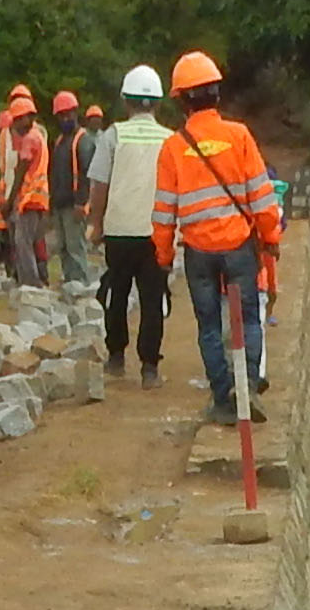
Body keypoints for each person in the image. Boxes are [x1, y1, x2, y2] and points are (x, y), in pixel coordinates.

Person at [154, 48, 285, 422]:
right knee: (247, 319)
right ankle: (246, 387)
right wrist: (270, 236)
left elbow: (163, 213)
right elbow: (262, 195)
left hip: (198, 252)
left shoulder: (173, 148)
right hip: (239, 246)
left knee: (209, 324)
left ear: (181, 100)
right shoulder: (239, 136)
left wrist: (163, 256)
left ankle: (222, 399)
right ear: (216, 94)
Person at [87, 63, 173, 379]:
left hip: (119, 232)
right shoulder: (170, 139)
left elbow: (99, 184)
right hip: (156, 233)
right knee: (153, 299)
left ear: (126, 101)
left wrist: (96, 224)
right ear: (159, 103)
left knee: (117, 293)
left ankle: (116, 357)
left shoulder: (113, 135)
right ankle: (149, 366)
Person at [0, 85, 53, 291]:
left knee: (23, 241)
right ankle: (28, 279)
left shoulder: (30, 139)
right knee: (24, 240)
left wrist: (9, 201)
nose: (16, 123)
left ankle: (31, 283)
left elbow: (20, 171)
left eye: (19, 119)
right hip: (34, 197)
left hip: (28, 198)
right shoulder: (36, 136)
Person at [45, 91, 92, 292]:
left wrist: (82, 203)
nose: (65, 118)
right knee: (63, 247)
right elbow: (54, 173)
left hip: (75, 205)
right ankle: (69, 283)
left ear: (75, 113)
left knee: (76, 247)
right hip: (60, 204)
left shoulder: (83, 140)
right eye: (61, 115)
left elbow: (87, 175)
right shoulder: (59, 141)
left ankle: (80, 284)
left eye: (68, 114)